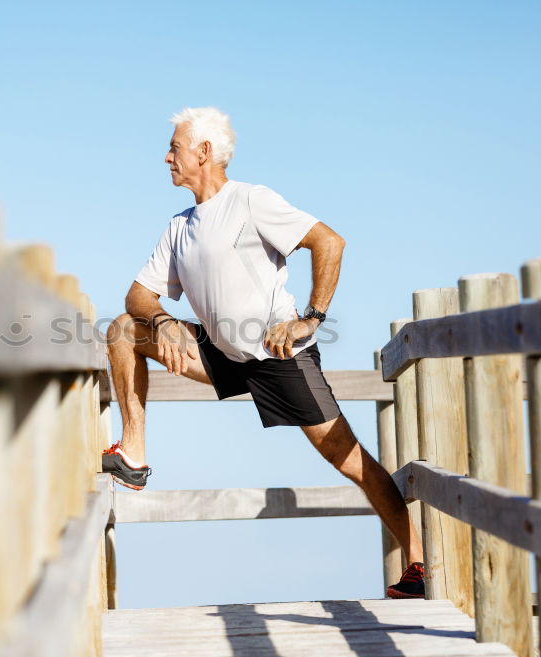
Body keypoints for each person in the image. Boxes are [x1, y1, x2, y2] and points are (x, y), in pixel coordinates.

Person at [102, 107, 425, 599]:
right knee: (125, 329)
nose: (167, 157)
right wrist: (164, 321)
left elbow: (329, 242)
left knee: (348, 458)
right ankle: (135, 453)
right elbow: (138, 297)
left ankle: (417, 567)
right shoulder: (179, 226)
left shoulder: (251, 201)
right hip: (218, 351)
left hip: (279, 357)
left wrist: (310, 318)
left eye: (175, 148)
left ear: (204, 152)